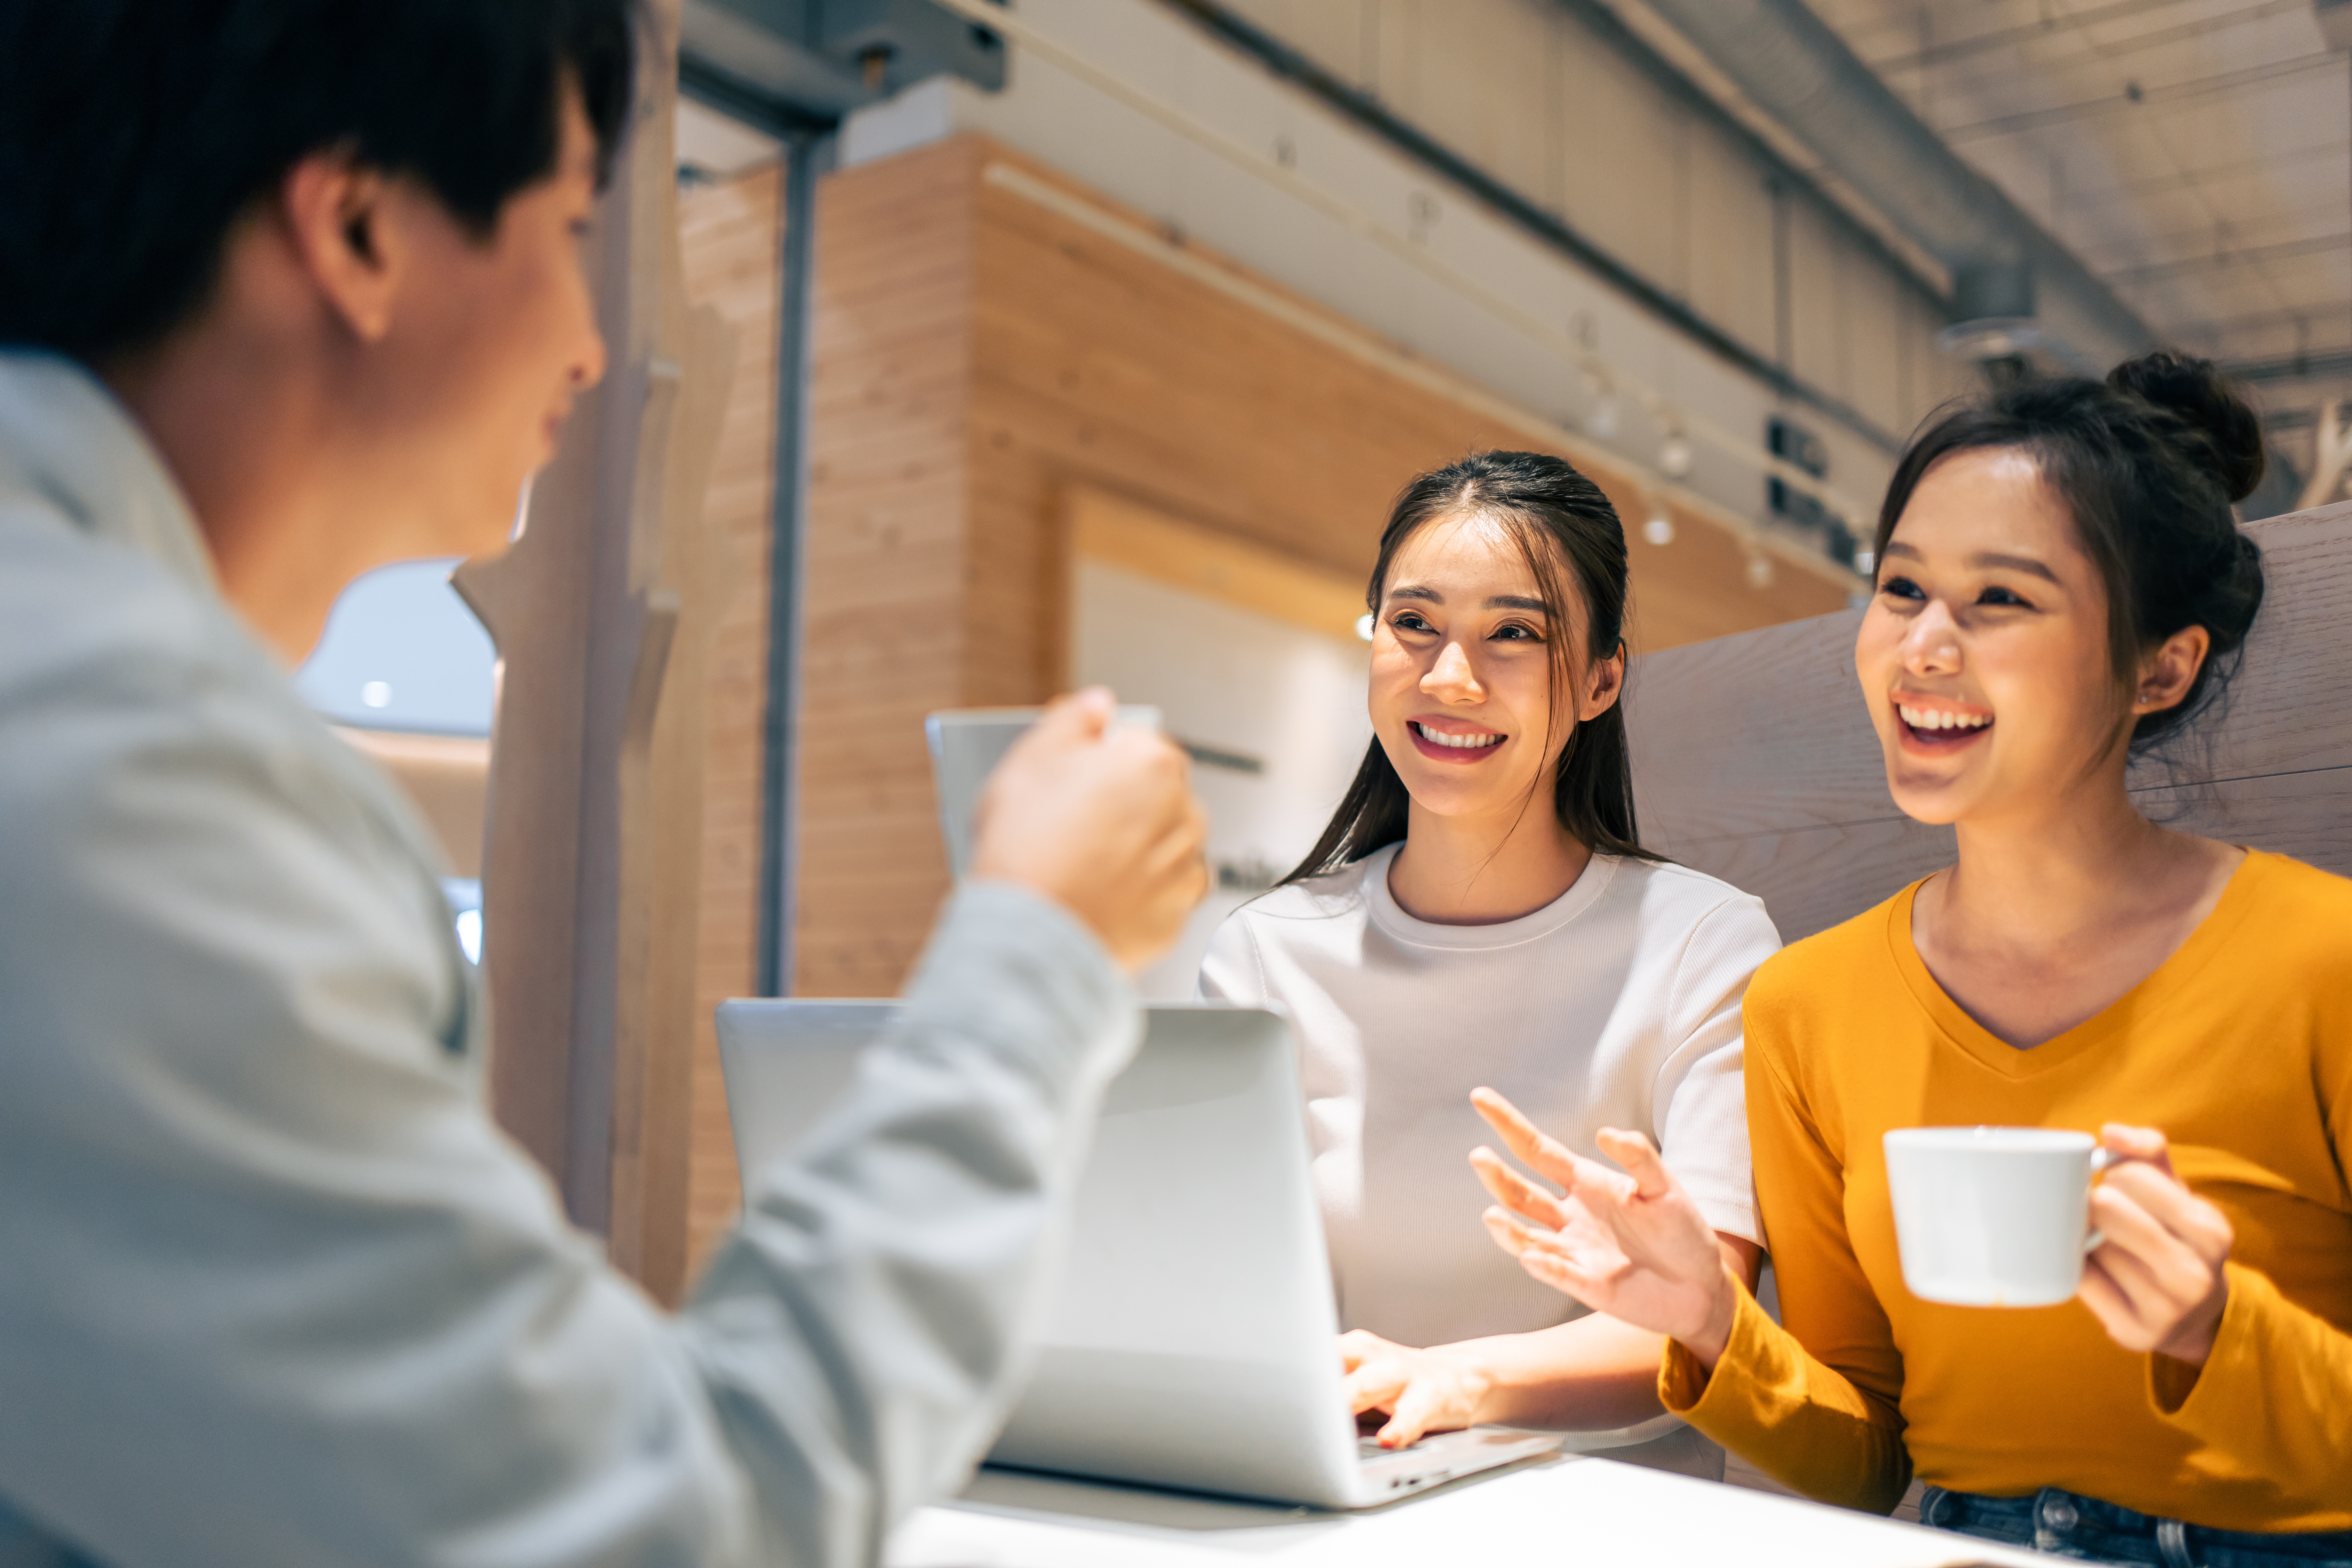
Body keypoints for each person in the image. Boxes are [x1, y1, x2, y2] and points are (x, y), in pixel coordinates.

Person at [0, 5, 1208, 1565]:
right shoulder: (128, 766)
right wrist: (1041, 945)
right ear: (358, 224)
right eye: (571, 225)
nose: (588, 338)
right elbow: (669, 1527)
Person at [1472, 354, 2352, 1562]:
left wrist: (2217, 1330)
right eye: (1901, 590)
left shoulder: (2324, 962)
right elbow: (1860, 1457)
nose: (1924, 647)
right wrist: (1713, 1328)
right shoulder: (1809, 1005)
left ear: (2162, 666)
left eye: (2002, 600)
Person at [1196, 450, 1776, 1481]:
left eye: (1515, 632)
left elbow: (1700, 1323)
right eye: (1415, 623)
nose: (1450, 676)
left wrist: (1459, 1383)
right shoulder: (1267, 953)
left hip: (1611, 1524)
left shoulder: (1705, 945)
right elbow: (1210, 1283)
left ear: (1603, 679)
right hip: (1337, 1502)